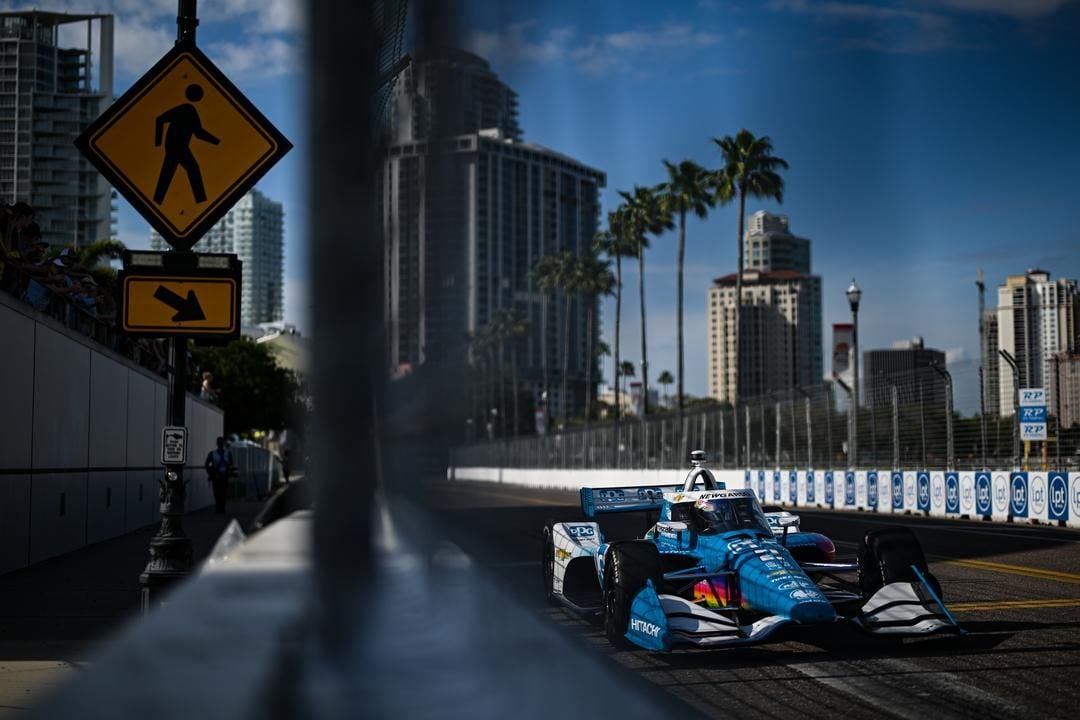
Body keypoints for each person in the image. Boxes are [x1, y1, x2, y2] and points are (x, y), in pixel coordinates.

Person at [204, 436, 234, 514]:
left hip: (224, 475)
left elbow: (231, 464)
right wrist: (211, 472)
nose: (220, 444)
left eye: (221, 442)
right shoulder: (212, 453)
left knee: (223, 492)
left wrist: (228, 469)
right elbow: (207, 464)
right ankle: (219, 507)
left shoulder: (227, 453)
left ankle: (221, 507)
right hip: (216, 475)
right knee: (217, 493)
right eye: (219, 442)